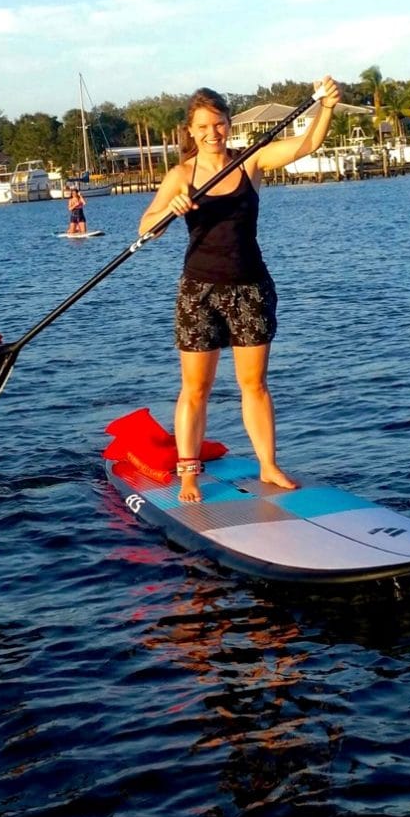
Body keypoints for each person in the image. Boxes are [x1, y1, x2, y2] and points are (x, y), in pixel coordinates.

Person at [138, 77, 340, 502]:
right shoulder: (181, 175)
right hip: (200, 292)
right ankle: (189, 472)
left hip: (249, 287)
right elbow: (145, 228)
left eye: (220, 124)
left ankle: (267, 464)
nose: (214, 133)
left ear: (229, 124)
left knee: (255, 384)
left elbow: (305, 147)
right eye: (204, 126)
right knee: (195, 388)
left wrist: (326, 108)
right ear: (191, 132)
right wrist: (168, 211)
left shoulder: (250, 161)